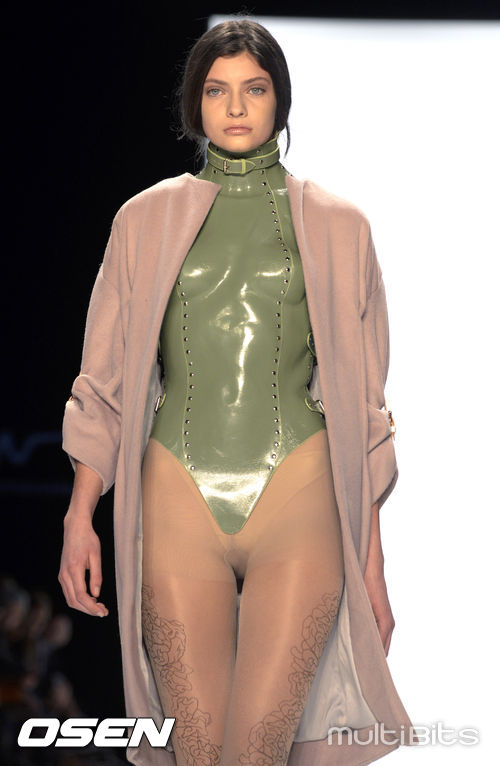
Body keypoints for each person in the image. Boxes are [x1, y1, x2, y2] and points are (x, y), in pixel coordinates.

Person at [58, 18, 418, 766]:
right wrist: (79, 515)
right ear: (195, 103)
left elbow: (364, 408)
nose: (236, 107)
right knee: (199, 754)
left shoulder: (341, 226)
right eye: (217, 91)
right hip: (174, 493)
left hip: (301, 494)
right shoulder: (143, 220)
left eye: (254, 89)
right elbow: (105, 380)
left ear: (279, 101)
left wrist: (373, 567)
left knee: (256, 754)